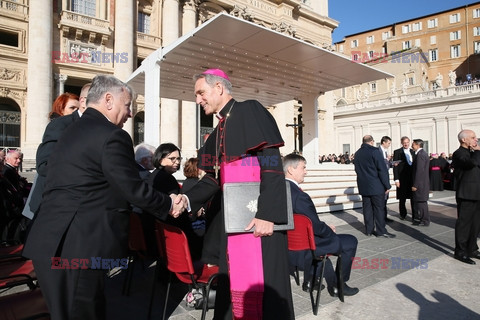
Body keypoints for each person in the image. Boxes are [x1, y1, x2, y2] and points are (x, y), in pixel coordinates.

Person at [22, 75, 187, 320]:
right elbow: (129, 186)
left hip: (53, 242)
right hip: (78, 246)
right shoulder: (112, 135)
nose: (130, 113)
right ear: (109, 100)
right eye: (128, 104)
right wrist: (169, 204)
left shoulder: (70, 129)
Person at [184, 68, 294, 320]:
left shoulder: (250, 110)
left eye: (201, 93)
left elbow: (272, 165)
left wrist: (267, 214)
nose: (198, 99)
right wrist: (187, 199)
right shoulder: (219, 128)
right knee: (233, 283)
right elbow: (213, 178)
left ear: (219, 88)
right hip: (234, 223)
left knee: (265, 289)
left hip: (260, 220)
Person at [283, 153, 359, 297]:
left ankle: (312, 280)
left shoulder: (278, 190)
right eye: (303, 167)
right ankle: (339, 285)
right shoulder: (299, 196)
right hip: (306, 248)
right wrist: (330, 231)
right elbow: (315, 226)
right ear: (291, 170)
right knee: (350, 241)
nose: (306, 171)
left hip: (288, 245)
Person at [26, 84, 92, 219]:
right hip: (51, 205)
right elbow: (45, 166)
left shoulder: (94, 126)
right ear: (83, 101)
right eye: (72, 108)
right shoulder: (59, 125)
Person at [353, 135, 395, 238]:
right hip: (376, 185)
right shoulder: (374, 151)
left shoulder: (357, 153)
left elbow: (357, 169)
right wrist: (387, 185)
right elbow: (382, 169)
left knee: (367, 209)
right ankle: (381, 231)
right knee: (379, 209)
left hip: (363, 185)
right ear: (372, 141)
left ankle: (369, 230)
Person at [451, 129, 480, 265]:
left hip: (477, 193)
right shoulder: (459, 154)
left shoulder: (473, 153)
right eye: (473, 137)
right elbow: (470, 164)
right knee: (464, 224)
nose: (476, 140)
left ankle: (472, 249)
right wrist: (478, 151)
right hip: (466, 194)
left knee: (475, 224)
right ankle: (460, 252)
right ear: (464, 139)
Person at [392, 136, 416, 220]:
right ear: (402, 143)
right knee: (402, 198)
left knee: (413, 197)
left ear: (409, 142)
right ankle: (403, 214)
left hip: (412, 178)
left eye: (407, 142)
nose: (406, 144)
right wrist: (396, 179)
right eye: (404, 142)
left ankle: (415, 215)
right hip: (402, 178)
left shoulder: (413, 151)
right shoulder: (397, 152)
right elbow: (395, 167)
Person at [411, 139, 430, 226]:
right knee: (421, 202)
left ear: (418, 145)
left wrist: (416, 184)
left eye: (413, 144)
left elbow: (419, 171)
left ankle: (424, 220)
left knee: (421, 202)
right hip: (422, 182)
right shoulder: (422, 154)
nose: (412, 146)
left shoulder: (420, 155)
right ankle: (423, 219)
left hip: (421, 183)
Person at [378, 136, 394, 223]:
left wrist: (390, 163)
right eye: (388, 143)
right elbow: (379, 165)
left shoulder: (385, 151)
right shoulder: (377, 151)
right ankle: (380, 218)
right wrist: (386, 160)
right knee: (381, 199)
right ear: (383, 142)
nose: (389, 145)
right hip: (380, 179)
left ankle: (384, 216)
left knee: (385, 199)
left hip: (385, 177)